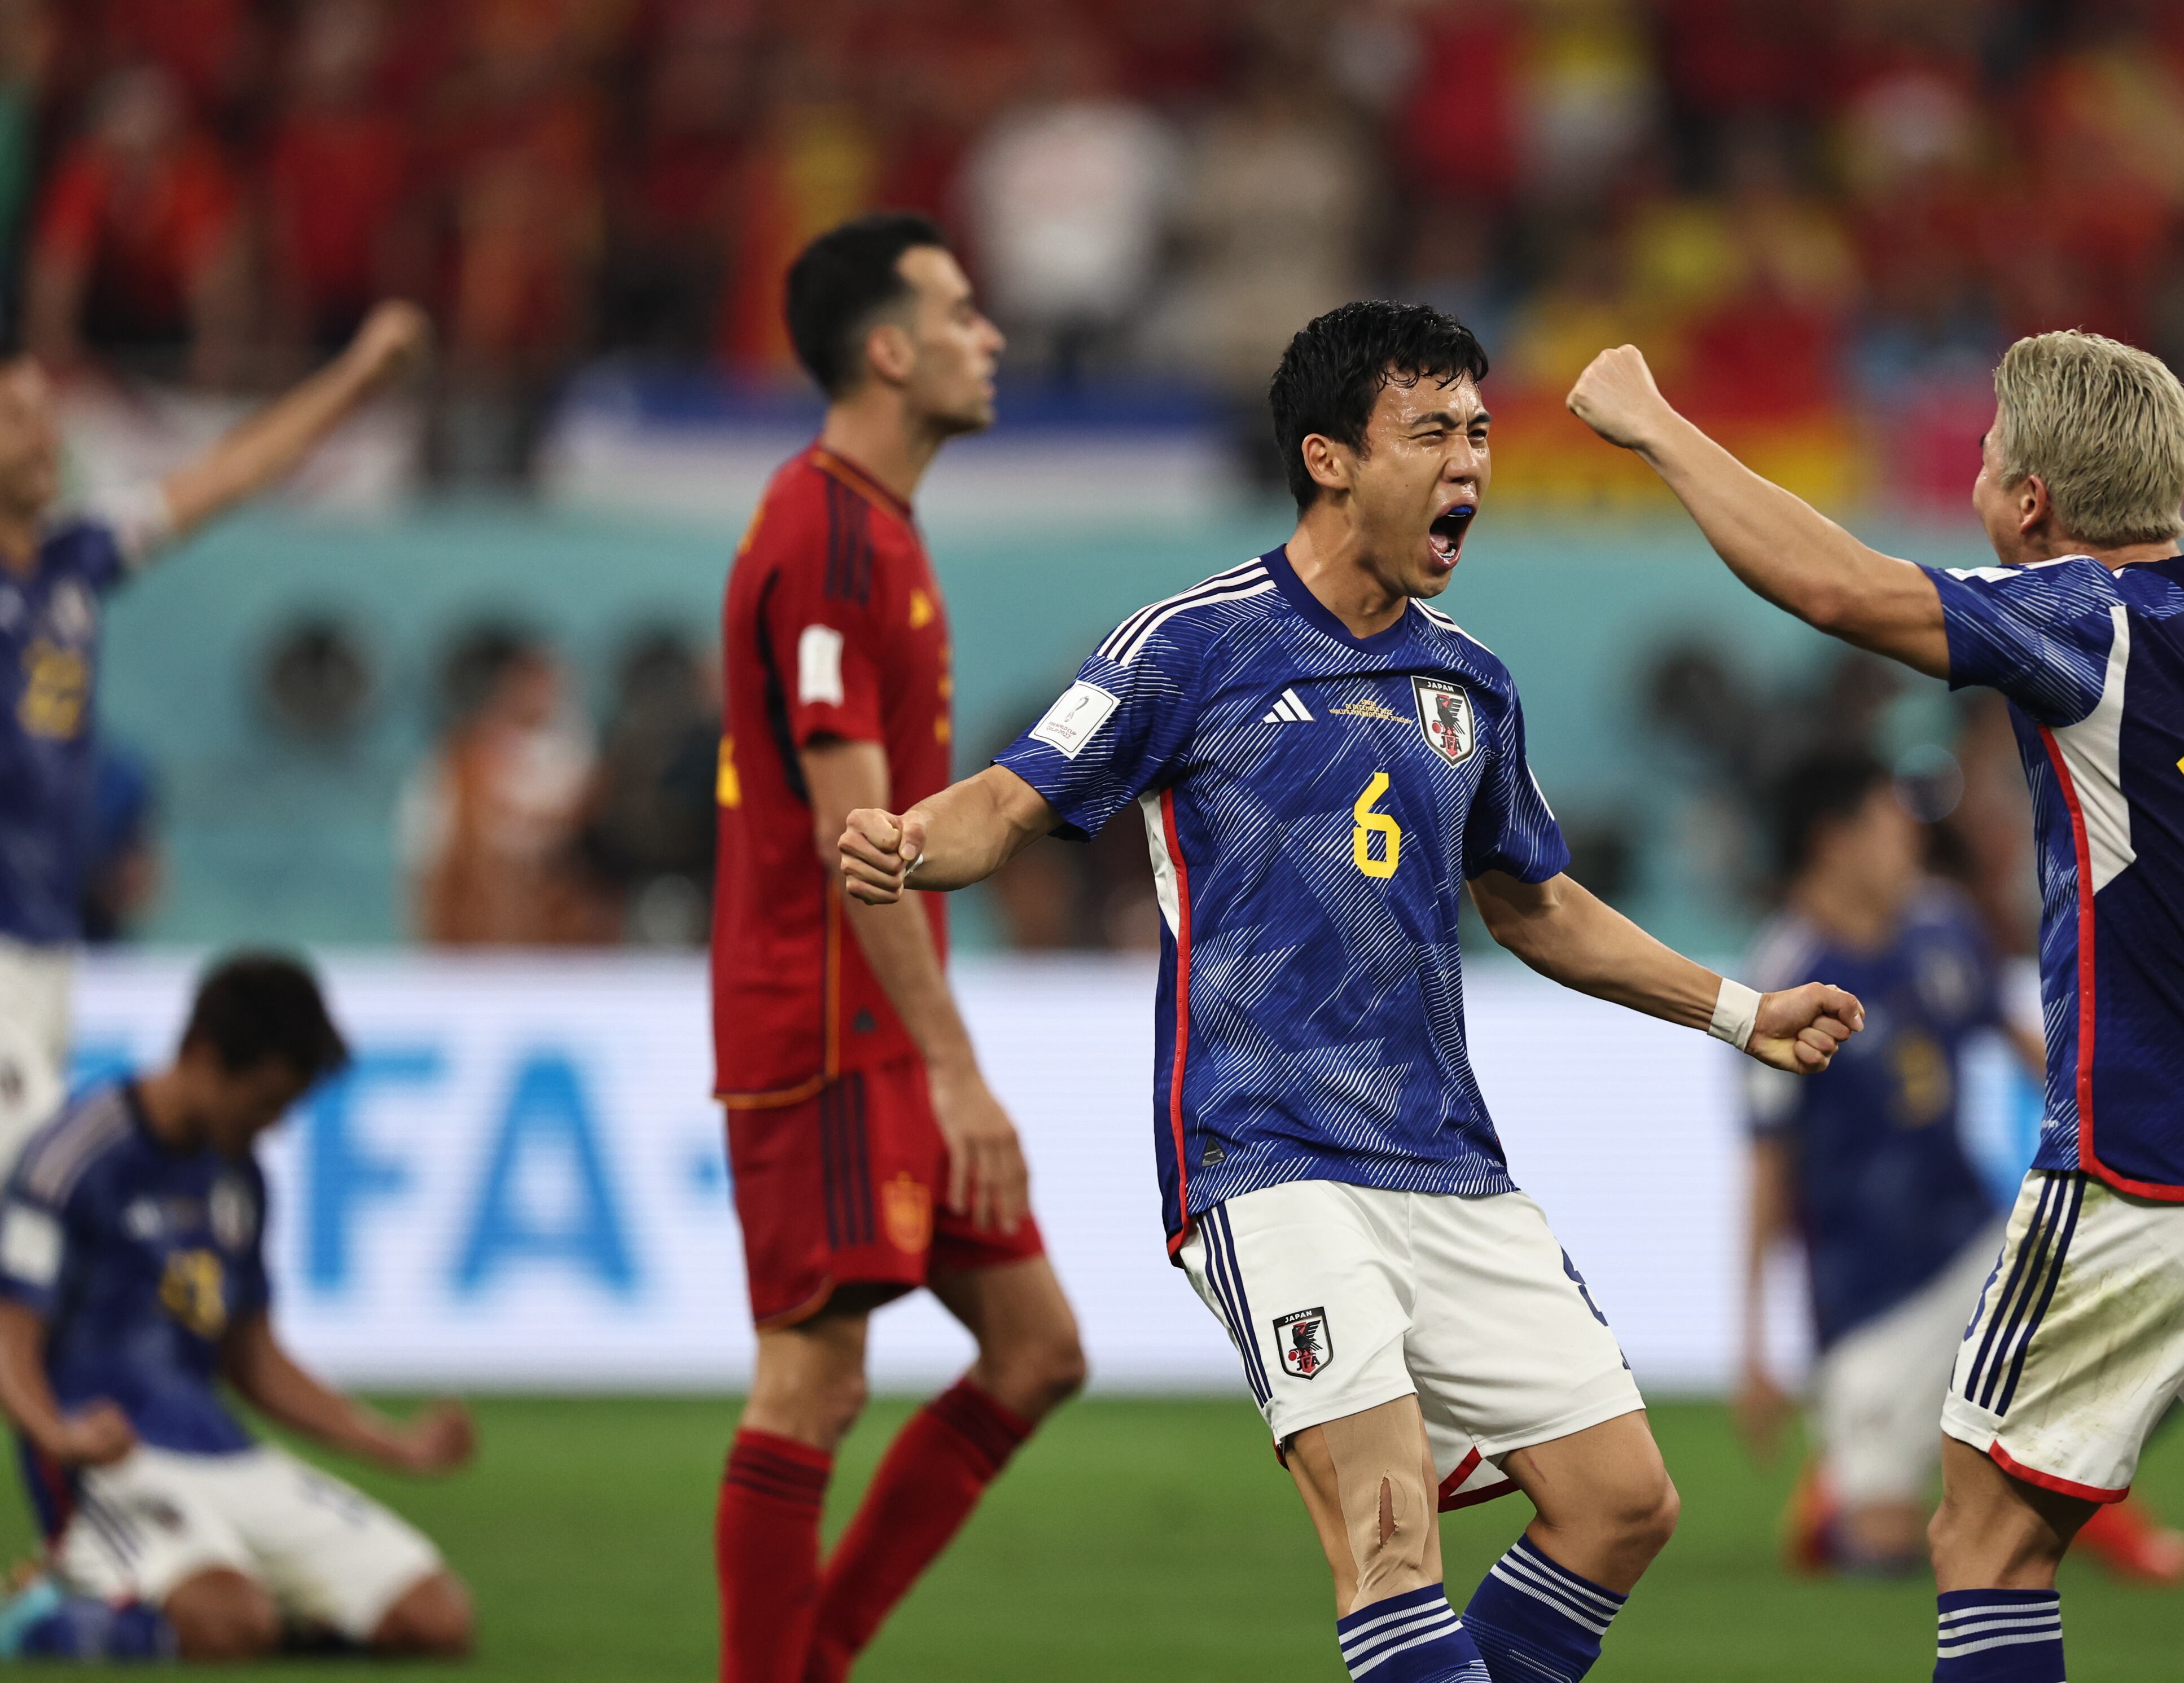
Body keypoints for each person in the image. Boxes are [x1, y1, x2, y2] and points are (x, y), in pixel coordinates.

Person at [839, 299, 1862, 1683]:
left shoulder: (1468, 682)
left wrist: (1741, 1008)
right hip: (1268, 1163)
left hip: (1447, 1163)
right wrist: (910, 841)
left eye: (1481, 433)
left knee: (1622, 1506)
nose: (1471, 466)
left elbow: (1537, 906)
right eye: (1432, 431)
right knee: (1390, 1542)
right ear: (1329, 458)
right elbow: (1013, 800)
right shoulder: (1191, 644)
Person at [1567, 330, 2184, 1683]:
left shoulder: (2084, 623)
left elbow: (1836, 587)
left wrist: (1658, 426)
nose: (1974, 473)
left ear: (2029, 501)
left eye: (1983, 456)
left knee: (1983, 1545)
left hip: (2149, 1167)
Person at [709, 213, 1085, 1683]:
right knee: (814, 1373)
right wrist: (955, 1067)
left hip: (873, 1015)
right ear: (888, 347)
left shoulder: (874, 524)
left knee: (1038, 1348)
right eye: (961, 311)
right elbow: (857, 837)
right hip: (827, 1017)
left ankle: (812, 1661)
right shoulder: (827, 535)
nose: (989, 337)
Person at [1739, 752, 2184, 1588]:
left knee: (2161, 1305)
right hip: (1869, 1299)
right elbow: (1769, 1166)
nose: (1910, 834)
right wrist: (1755, 1342)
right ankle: (1845, 1487)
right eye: (1888, 816)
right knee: (1881, 1553)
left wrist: (2117, 1129)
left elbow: (2014, 1038)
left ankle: (2075, 1499)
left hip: (1979, 1243)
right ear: (1832, 841)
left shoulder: (1941, 927)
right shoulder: (1783, 979)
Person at [0, 299, 427, 1176]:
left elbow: (228, 473)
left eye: (49, 414)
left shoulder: (76, 561)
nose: (45, 437)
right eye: (15, 417)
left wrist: (355, 375)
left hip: (47, 947)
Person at [0, 953, 475, 1660]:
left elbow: (252, 1357)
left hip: (219, 1445)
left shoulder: (238, 1176)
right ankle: (38, 1613)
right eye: (266, 1100)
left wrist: (393, 1443)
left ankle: (215, 1603)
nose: (275, 1125)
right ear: (202, 1055)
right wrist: (57, 1437)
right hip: (110, 1455)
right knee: (228, 1625)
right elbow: (11, 1336)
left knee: (434, 1621)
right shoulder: (75, 1157)